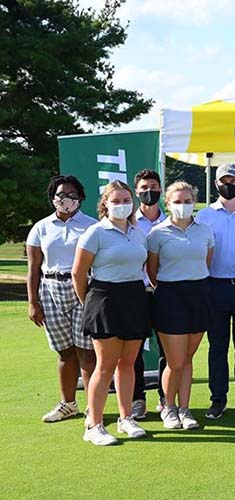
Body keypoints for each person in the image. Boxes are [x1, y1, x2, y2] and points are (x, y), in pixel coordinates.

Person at [73, 180, 150, 445]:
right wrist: (91, 303)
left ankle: (126, 418)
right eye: (115, 201)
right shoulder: (96, 232)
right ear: (105, 203)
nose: (122, 205)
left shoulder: (138, 232)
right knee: (105, 366)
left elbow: (142, 267)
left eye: (126, 200)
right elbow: (78, 273)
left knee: (128, 363)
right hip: (104, 298)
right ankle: (94, 425)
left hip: (134, 298)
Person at [26, 175, 97, 423]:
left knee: (87, 352)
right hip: (50, 290)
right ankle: (68, 404)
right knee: (64, 352)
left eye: (71, 195)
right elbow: (34, 267)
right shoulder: (41, 227)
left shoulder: (92, 225)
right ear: (53, 198)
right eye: (61, 195)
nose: (66, 200)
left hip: (82, 290)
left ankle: (92, 408)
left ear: (80, 198)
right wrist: (33, 302)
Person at [147, 181, 215, 430]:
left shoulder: (205, 230)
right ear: (167, 203)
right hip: (169, 296)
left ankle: (185, 410)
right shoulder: (156, 233)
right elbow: (152, 271)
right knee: (174, 361)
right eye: (177, 202)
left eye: (187, 201)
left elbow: (207, 260)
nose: (183, 206)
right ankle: (168, 407)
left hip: (199, 294)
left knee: (187, 358)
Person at [195, 163, 235, 419]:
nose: (227, 185)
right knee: (217, 347)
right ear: (216, 184)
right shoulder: (205, 216)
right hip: (215, 286)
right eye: (223, 181)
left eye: (232, 181)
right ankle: (218, 398)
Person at [130, 168, 167, 420]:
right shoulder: (128, 222)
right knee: (134, 350)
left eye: (153, 187)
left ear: (161, 190)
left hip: (166, 291)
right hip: (137, 292)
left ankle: (166, 398)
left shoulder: (171, 221)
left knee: (167, 348)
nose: (148, 192)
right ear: (136, 192)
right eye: (143, 188)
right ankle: (137, 399)